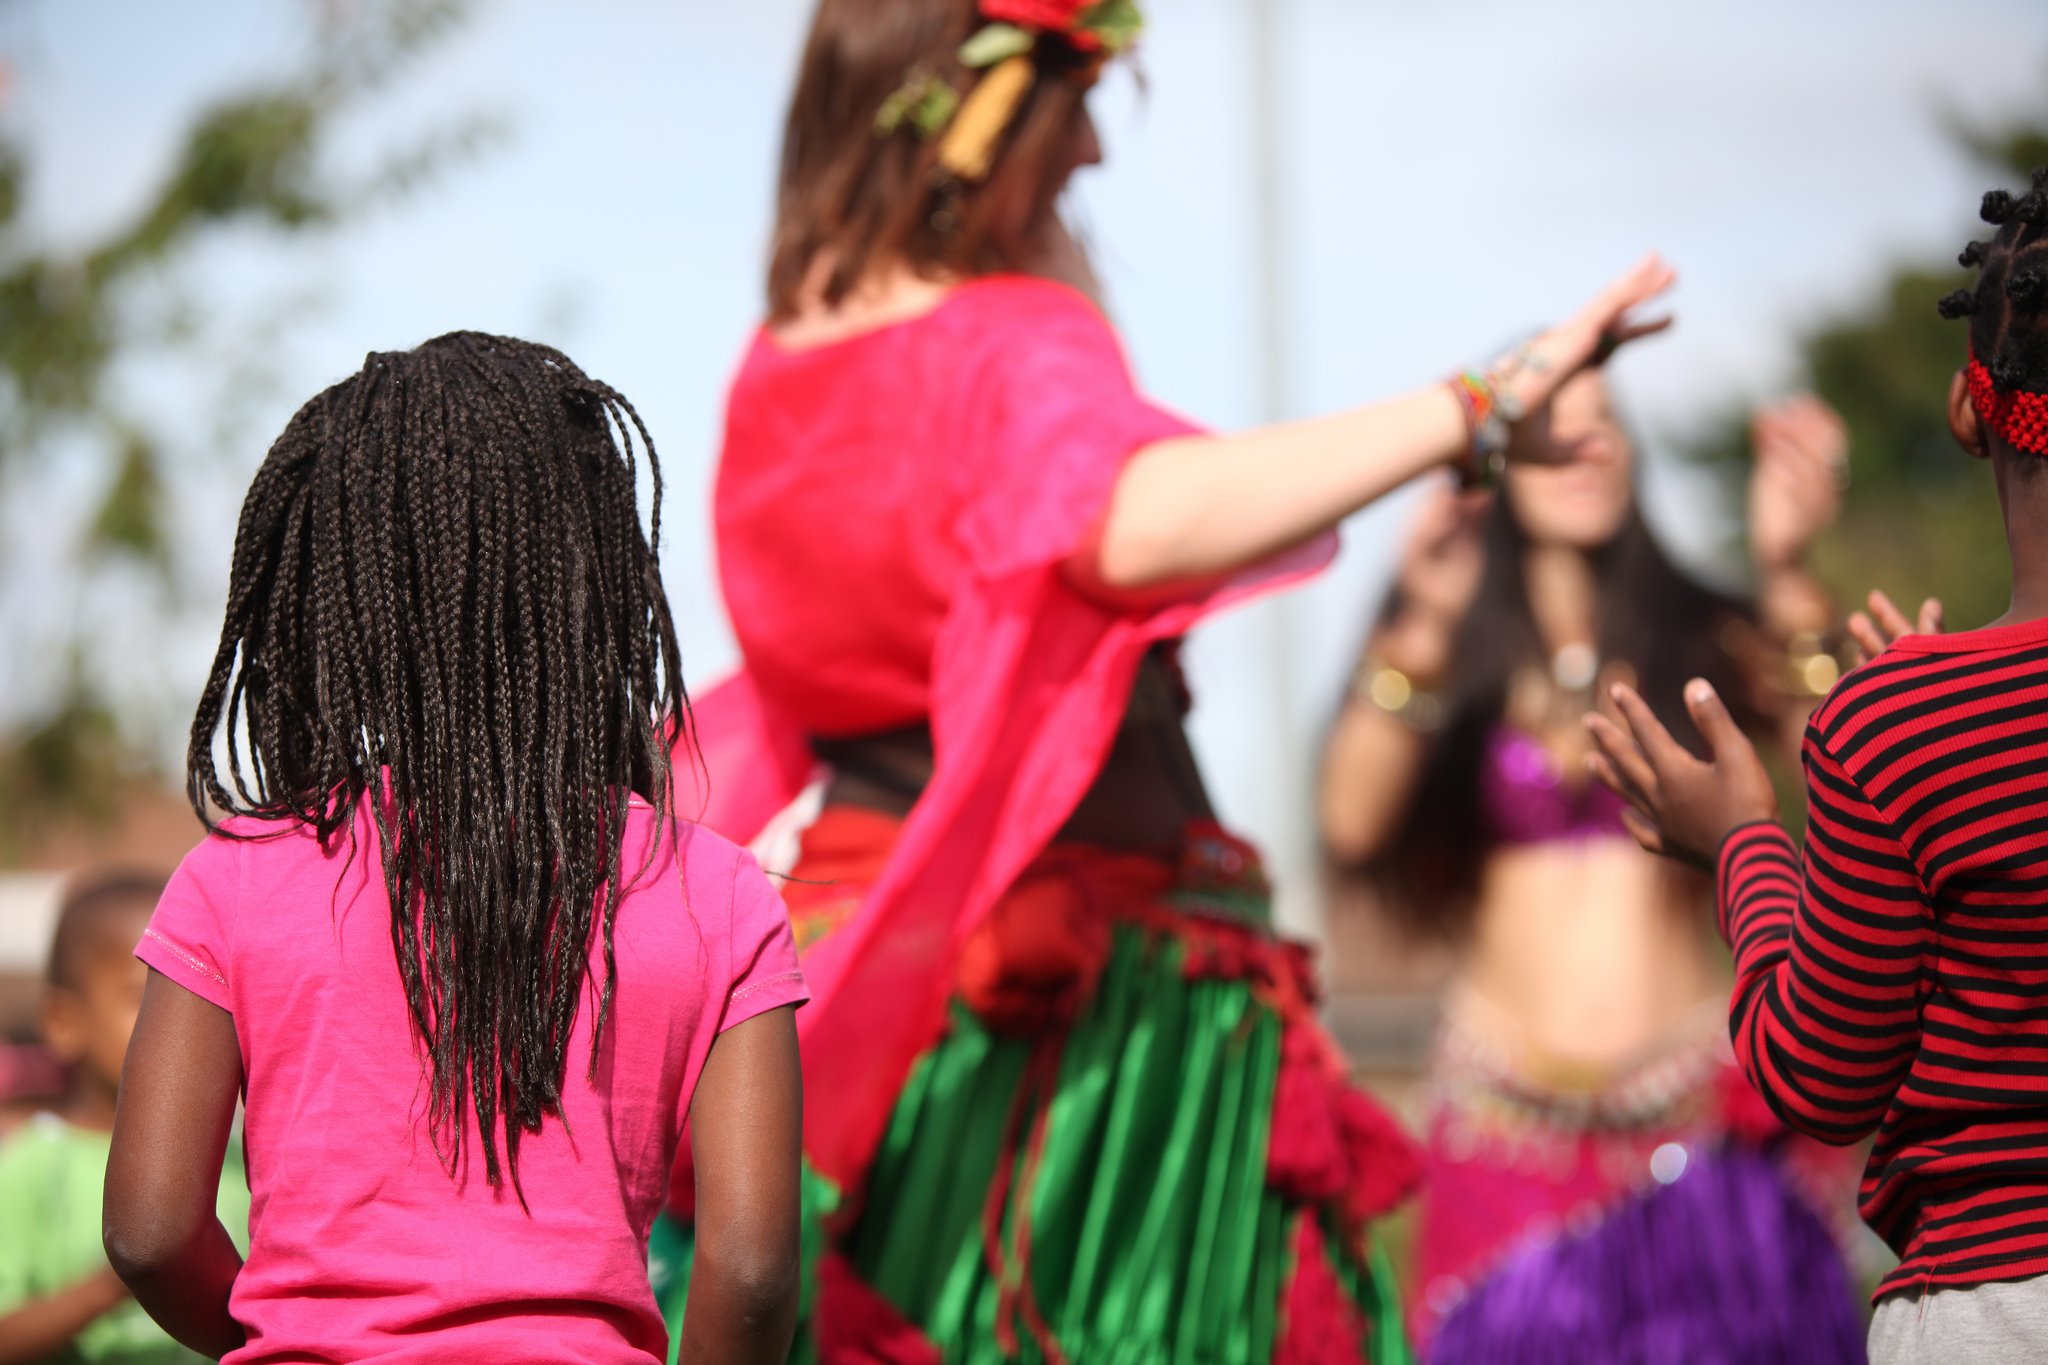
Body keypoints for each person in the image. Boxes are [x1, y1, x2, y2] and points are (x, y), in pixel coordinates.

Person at [665, 1, 1676, 1360]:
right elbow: (1129, 517)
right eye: (1075, 104)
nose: (1088, 152)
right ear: (980, 113)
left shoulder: (773, 363)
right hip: (1080, 1034)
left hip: (870, 960)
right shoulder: (1006, 337)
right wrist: (1480, 402)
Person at [97, 334, 808, 1365]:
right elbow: (749, 1271)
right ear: (598, 576)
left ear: (336, 588)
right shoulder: (715, 894)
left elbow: (151, 1230)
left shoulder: (235, 879)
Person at [1587, 171, 2048, 1365]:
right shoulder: (1911, 724)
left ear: (1969, 407)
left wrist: (1741, 841)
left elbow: (1819, 1079)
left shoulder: (1897, 724)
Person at [1317, 368, 1869, 1360]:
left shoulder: (1702, 633)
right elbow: (1351, 822)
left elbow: (1842, 766)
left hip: (1696, 1125)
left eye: (1604, 426)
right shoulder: (1451, 652)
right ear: (1496, 463)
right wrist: (1424, 621)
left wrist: (1787, 570)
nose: (1585, 450)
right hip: (1500, 1129)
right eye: (1551, 431)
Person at [0, 871, 249, 1365]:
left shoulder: (239, 1157)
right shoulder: (30, 1166)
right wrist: (116, 1281)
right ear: (63, 1023)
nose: (178, 1019)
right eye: (145, 997)